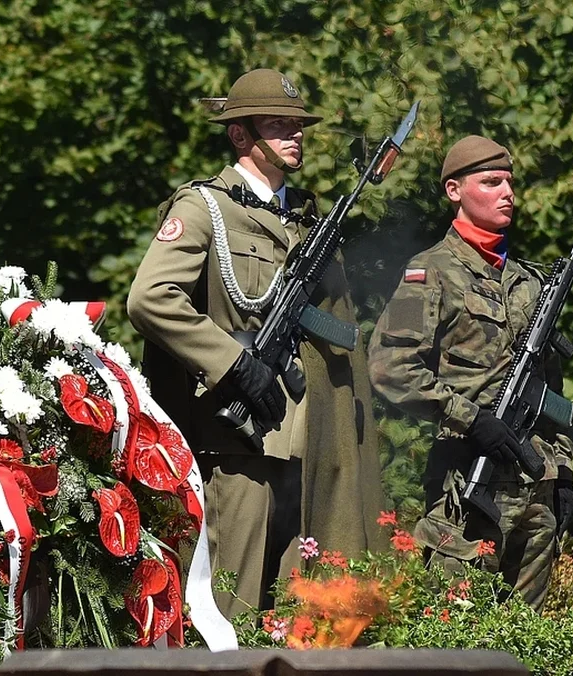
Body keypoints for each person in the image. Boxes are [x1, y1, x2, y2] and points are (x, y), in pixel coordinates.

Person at [127, 68, 385, 619]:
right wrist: (233, 364)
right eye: (277, 124)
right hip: (239, 439)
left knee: (297, 620)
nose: (295, 134)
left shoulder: (308, 219)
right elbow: (150, 299)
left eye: (297, 125)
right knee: (230, 609)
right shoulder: (205, 208)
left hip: (306, 442)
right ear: (240, 136)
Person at [366, 135, 573, 609]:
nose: (508, 193)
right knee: (451, 635)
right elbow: (388, 367)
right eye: (491, 181)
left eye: (509, 182)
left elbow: (552, 394)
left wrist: (562, 473)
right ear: (454, 191)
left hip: (533, 490)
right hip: (466, 490)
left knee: (526, 641)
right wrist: (470, 417)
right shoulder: (430, 273)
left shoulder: (528, 283)